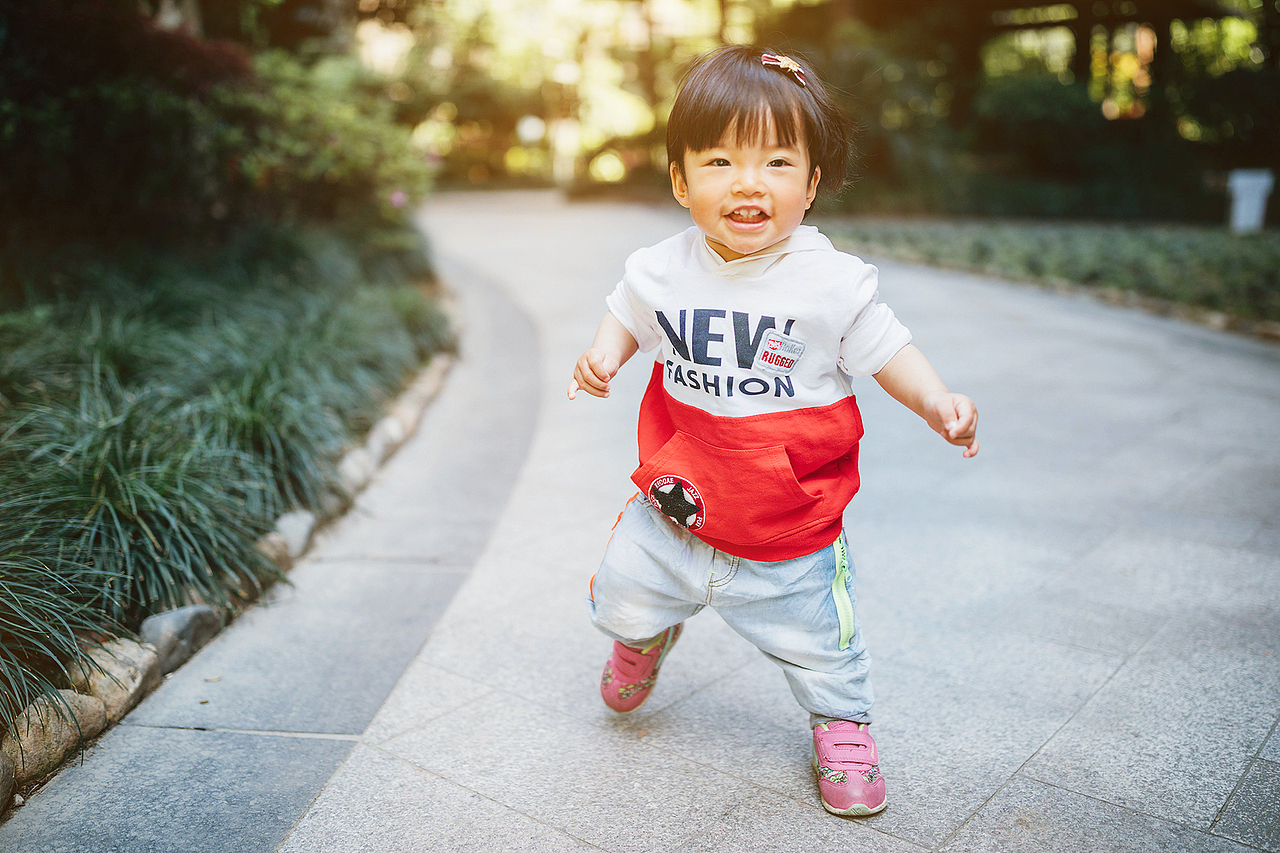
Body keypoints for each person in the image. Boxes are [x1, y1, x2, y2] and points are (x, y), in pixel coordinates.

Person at [567, 44, 978, 818]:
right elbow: (626, 309)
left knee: (823, 644)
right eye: (720, 161)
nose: (749, 182)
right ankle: (644, 636)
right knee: (622, 592)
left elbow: (889, 348)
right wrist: (603, 355)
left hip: (789, 525)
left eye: (777, 162)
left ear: (812, 183)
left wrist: (935, 399)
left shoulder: (830, 283)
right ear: (681, 180)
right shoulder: (662, 268)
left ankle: (842, 724)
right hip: (674, 506)